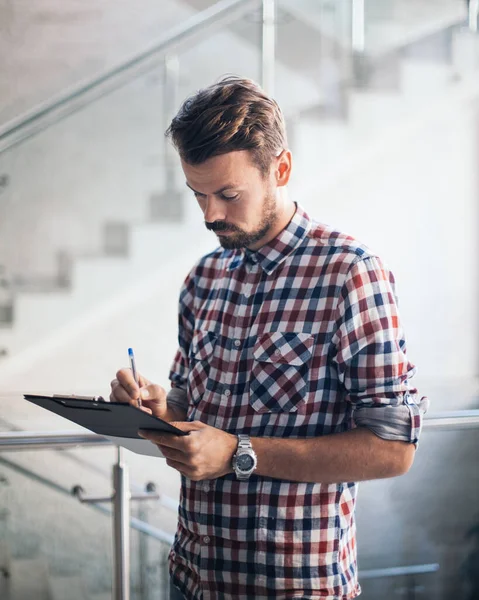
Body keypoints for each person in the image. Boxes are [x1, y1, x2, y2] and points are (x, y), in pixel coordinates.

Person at [110, 76, 428, 600]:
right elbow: (191, 414)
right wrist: (153, 407)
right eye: (199, 195)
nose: (210, 215)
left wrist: (239, 452)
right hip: (192, 578)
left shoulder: (351, 273)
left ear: (279, 169)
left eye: (228, 195)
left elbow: (393, 450)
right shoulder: (203, 278)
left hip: (295, 586)